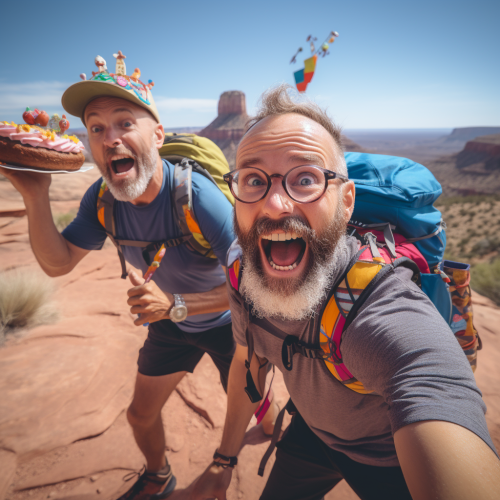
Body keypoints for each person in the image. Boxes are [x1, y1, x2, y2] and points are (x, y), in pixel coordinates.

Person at [188, 84, 500, 500]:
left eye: (305, 179)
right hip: (311, 434)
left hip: (389, 463)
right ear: (236, 197)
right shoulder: (243, 269)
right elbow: (248, 360)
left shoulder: (380, 304)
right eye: (253, 179)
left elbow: (429, 378)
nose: (276, 204)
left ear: (346, 201)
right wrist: (224, 461)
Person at [0, 64, 276, 500]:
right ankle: (158, 474)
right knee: (140, 415)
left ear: (158, 136)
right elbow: (58, 263)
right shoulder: (102, 200)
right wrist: (36, 195)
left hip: (230, 325)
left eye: (125, 123)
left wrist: (177, 303)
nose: (110, 138)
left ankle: (268, 424)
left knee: (264, 409)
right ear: (90, 143)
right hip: (172, 326)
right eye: (96, 128)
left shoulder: (196, 196)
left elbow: (260, 287)